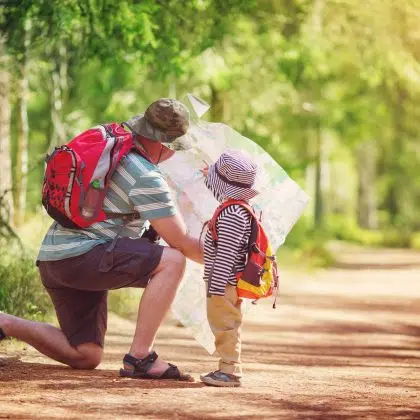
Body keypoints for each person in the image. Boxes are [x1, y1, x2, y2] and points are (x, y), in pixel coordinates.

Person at [0, 98, 203, 381]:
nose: (174, 155)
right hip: (82, 258)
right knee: (173, 261)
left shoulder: (117, 156)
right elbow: (181, 242)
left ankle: (5, 322)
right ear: (163, 143)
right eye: (174, 148)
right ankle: (140, 358)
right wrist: (227, 259)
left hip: (55, 259)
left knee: (85, 355)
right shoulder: (146, 175)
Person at [199, 150, 260, 387]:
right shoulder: (237, 206)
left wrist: (216, 288)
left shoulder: (232, 213)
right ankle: (228, 367)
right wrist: (209, 176)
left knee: (225, 325)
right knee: (227, 324)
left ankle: (230, 371)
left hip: (224, 283)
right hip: (226, 282)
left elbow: (227, 252)